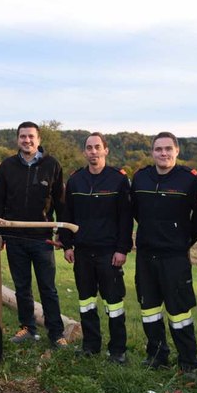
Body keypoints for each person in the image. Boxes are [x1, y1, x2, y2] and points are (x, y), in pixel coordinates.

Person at [131, 131, 197, 375]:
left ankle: (188, 361)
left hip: (174, 257)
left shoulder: (190, 180)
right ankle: (156, 355)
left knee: (180, 311)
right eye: (158, 149)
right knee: (149, 309)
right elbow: (136, 212)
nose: (163, 153)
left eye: (168, 149)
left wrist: (183, 239)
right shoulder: (141, 178)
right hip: (145, 255)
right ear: (152, 152)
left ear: (177, 151)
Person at [0, 121, 67, 348]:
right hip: (15, 239)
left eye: (31, 136)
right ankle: (27, 328)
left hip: (41, 238)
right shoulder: (7, 166)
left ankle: (56, 333)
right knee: (22, 287)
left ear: (39, 139)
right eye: (23, 136)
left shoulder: (52, 165)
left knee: (48, 288)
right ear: (17, 140)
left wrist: (63, 235)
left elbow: (60, 203)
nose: (27, 140)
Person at [59, 133, 133, 363]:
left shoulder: (118, 179)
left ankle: (118, 350)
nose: (93, 151)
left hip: (109, 252)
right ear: (84, 152)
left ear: (106, 150)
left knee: (114, 303)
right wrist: (67, 245)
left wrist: (122, 249)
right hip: (82, 251)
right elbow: (66, 214)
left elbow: (126, 218)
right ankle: (91, 345)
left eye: (97, 147)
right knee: (86, 301)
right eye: (89, 148)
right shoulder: (75, 180)